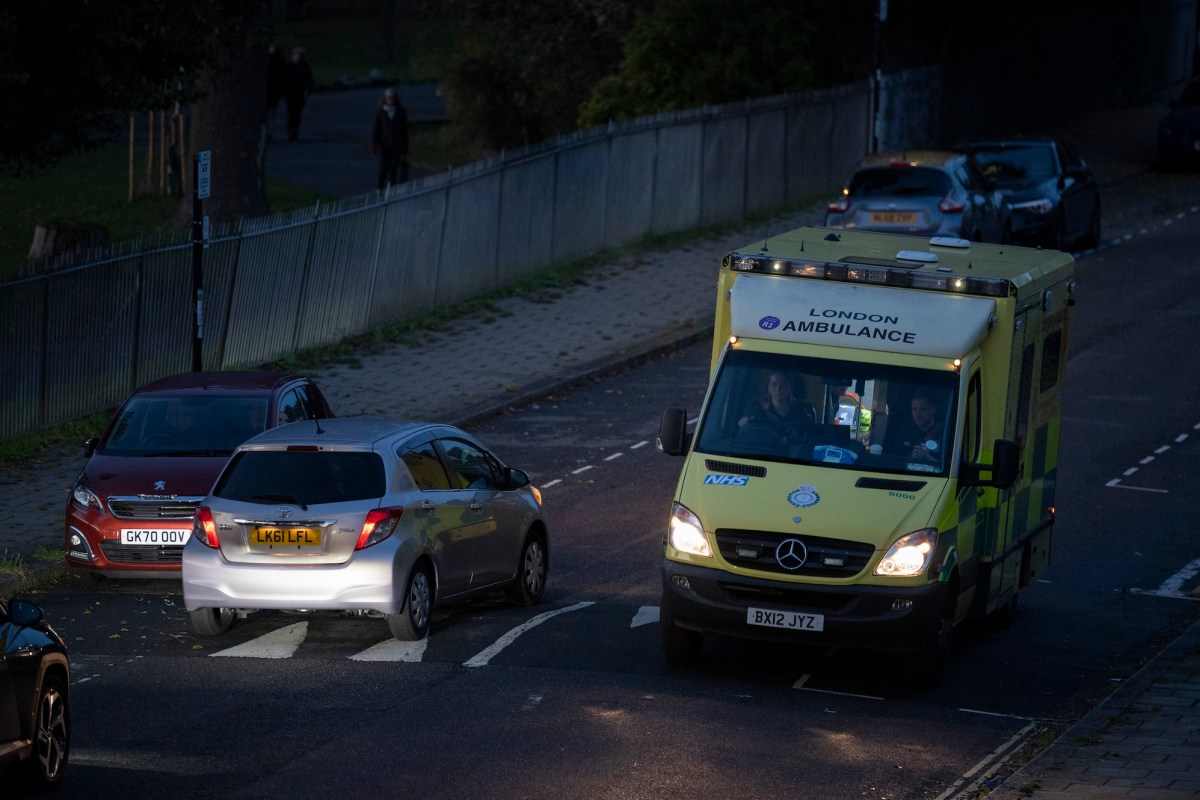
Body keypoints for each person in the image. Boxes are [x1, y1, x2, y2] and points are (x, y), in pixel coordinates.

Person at [739, 372, 816, 437]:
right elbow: (746, 428)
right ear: (769, 388)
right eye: (774, 384)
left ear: (790, 388)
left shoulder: (803, 411)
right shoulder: (758, 409)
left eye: (783, 385)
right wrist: (743, 423)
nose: (778, 388)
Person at [371, 87, 410, 190]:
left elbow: (404, 130)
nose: (390, 100)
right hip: (384, 145)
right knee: (383, 168)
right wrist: (374, 144)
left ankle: (391, 191)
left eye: (392, 98)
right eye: (388, 98)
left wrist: (405, 148)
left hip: (397, 145)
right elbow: (377, 129)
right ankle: (380, 189)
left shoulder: (401, 112)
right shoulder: (381, 111)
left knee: (393, 169)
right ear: (385, 99)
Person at [895, 389, 944, 463]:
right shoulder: (905, 432)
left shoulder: (944, 435)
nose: (918, 414)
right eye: (914, 409)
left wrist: (928, 458)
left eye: (923, 409)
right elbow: (894, 459)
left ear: (933, 410)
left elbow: (950, 467)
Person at [283, 46, 315, 142]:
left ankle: (294, 131)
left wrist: (307, 90)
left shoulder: (304, 67)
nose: (297, 57)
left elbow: (309, 80)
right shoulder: (288, 67)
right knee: (291, 113)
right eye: (296, 54)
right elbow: (284, 80)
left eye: (299, 55)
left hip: (300, 94)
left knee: (297, 113)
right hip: (290, 93)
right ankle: (290, 132)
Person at [266, 43, 287, 142]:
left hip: (274, 90)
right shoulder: (266, 60)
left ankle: (269, 132)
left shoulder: (279, 60)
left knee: (272, 112)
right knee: (268, 112)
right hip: (268, 89)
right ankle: (266, 131)